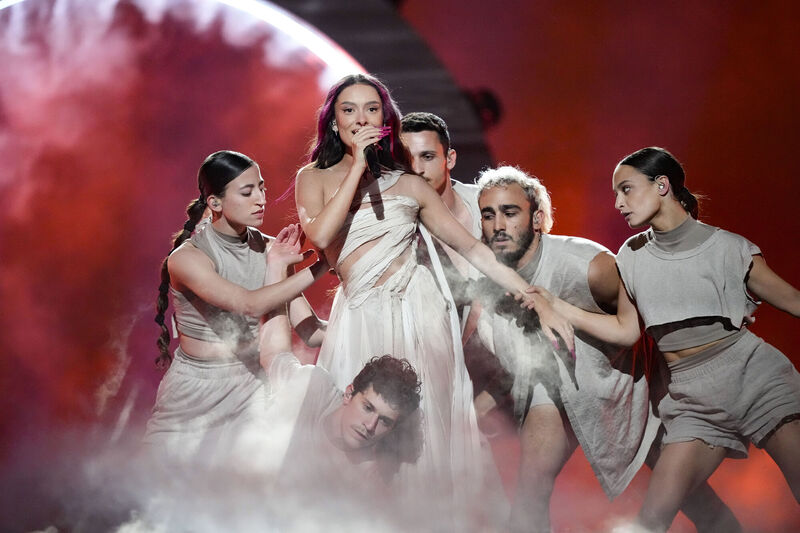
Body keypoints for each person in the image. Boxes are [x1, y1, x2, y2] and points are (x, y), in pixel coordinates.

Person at [294, 73, 568, 512]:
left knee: (420, 436)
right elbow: (321, 233)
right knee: (355, 429)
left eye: (371, 109)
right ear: (333, 121)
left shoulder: (410, 185)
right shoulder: (314, 177)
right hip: (361, 314)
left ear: (385, 120)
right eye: (349, 110)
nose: (360, 118)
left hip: (421, 313)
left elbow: (473, 248)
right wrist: (359, 168)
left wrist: (534, 296)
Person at [537, 147, 800, 532]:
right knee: (651, 520)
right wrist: (556, 306)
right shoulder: (631, 255)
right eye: (615, 194)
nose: (618, 203)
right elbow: (627, 330)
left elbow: (793, 300)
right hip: (693, 400)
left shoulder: (727, 247)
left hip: (755, 377)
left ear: (662, 185)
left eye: (626, 190)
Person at [476, 165, 741, 532]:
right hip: (552, 391)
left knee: (689, 492)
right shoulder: (488, 284)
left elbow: (652, 301)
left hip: (626, 386)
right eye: (488, 215)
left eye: (510, 212)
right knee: (530, 489)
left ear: (537, 219)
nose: (498, 225)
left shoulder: (583, 264)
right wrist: (473, 410)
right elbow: (515, 360)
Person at [144, 150, 327, 462]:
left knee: (239, 499)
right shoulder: (188, 259)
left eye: (262, 187)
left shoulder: (273, 250)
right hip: (194, 394)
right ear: (215, 203)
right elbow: (248, 304)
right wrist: (322, 265)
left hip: (251, 390)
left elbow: (311, 333)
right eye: (247, 192)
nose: (261, 199)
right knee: (162, 497)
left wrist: (370, 319)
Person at [400, 111, 513, 424]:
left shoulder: (489, 208)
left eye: (427, 157)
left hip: (516, 370)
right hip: (441, 386)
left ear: (449, 158)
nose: (417, 169)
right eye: (408, 158)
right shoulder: (399, 229)